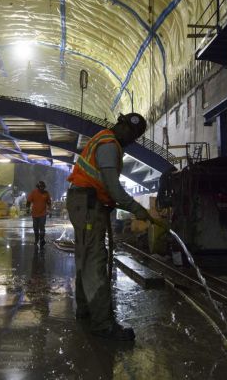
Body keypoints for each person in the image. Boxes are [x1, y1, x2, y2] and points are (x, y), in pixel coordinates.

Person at [66, 113, 167, 341]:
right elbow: (114, 187)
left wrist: (108, 203)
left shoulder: (104, 140)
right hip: (88, 204)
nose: (130, 139)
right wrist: (138, 209)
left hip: (86, 203)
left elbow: (105, 185)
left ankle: (85, 311)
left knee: (85, 258)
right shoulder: (109, 145)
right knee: (95, 261)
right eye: (130, 133)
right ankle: (103, 325)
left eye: (134, 136)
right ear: (120, 127)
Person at [26, 181, 52, 247]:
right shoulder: (34, 192)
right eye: (41, 187)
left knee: (42, 227)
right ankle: (36, 240)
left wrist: (50, 210)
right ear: (38, 187)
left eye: (43, 187)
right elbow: (28, 201)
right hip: (35, 214)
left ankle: (42, 240)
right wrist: (27, 209)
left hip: (43, 214)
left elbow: (49, 203)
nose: (42, 188)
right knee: (35, 228)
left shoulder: (46, 193)